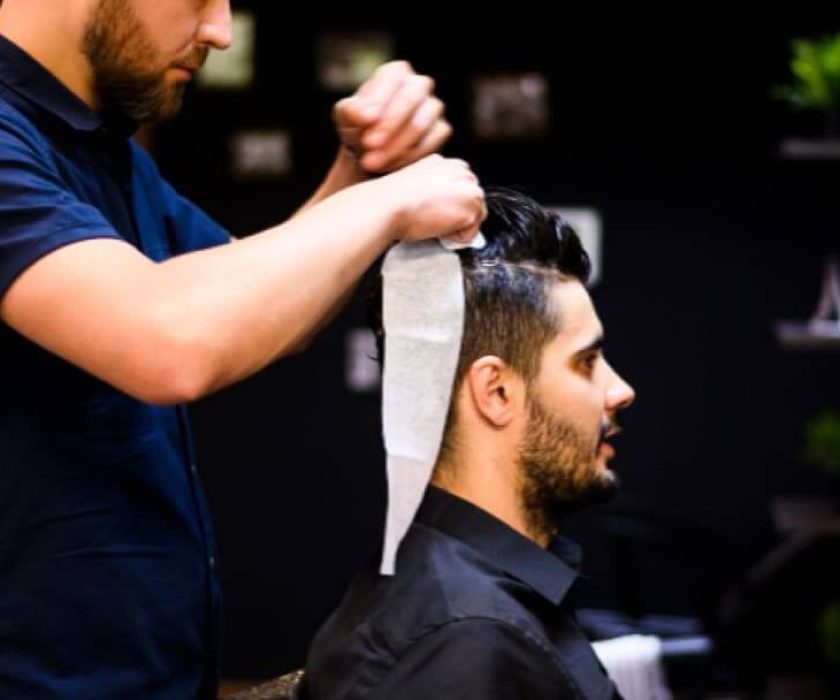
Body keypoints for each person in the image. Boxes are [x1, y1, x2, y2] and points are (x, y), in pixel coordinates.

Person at [0, 0, 485, 697]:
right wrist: (385, 205)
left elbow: (253, 306)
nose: (222, 31)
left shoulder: (103, 150)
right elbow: (169, 343)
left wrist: (359, 173)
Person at [302, 189, 636, 699]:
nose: (620, 390)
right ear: (496, 392)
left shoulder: (480, 602)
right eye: (587, 362)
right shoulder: (465, 643)